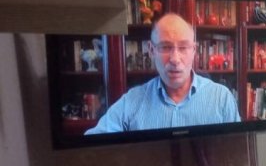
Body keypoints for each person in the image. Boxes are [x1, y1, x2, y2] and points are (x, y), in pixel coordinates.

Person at [86, 13, 241, 134]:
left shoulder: (221, 98)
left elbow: (237, 151)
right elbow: (93, 146)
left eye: (183, 47)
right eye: (165, 47)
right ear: (151, 50)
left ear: (194, 50)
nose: (175, 59)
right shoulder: (132, 101)